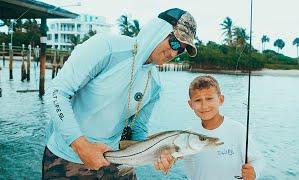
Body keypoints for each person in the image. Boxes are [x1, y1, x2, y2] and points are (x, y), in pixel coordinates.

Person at [42, 8, 197, 179]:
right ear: (158, 30)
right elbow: (56, 93)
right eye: (175, 43)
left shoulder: (155, 84)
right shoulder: (106, 47)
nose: (174, 53)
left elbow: (138, 129)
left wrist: (155, 155)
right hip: (67, 159)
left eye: (181, 50)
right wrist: (81, 146)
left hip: (115, 161)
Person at [184, 75, 263, 180]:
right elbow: (186, 162)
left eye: (209, 98)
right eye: (198, 100)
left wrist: (254, 173)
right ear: (191, 104)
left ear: (221, 100)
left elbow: (257, 160)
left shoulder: (238, 130)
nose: (204, 105)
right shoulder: (189, 134)